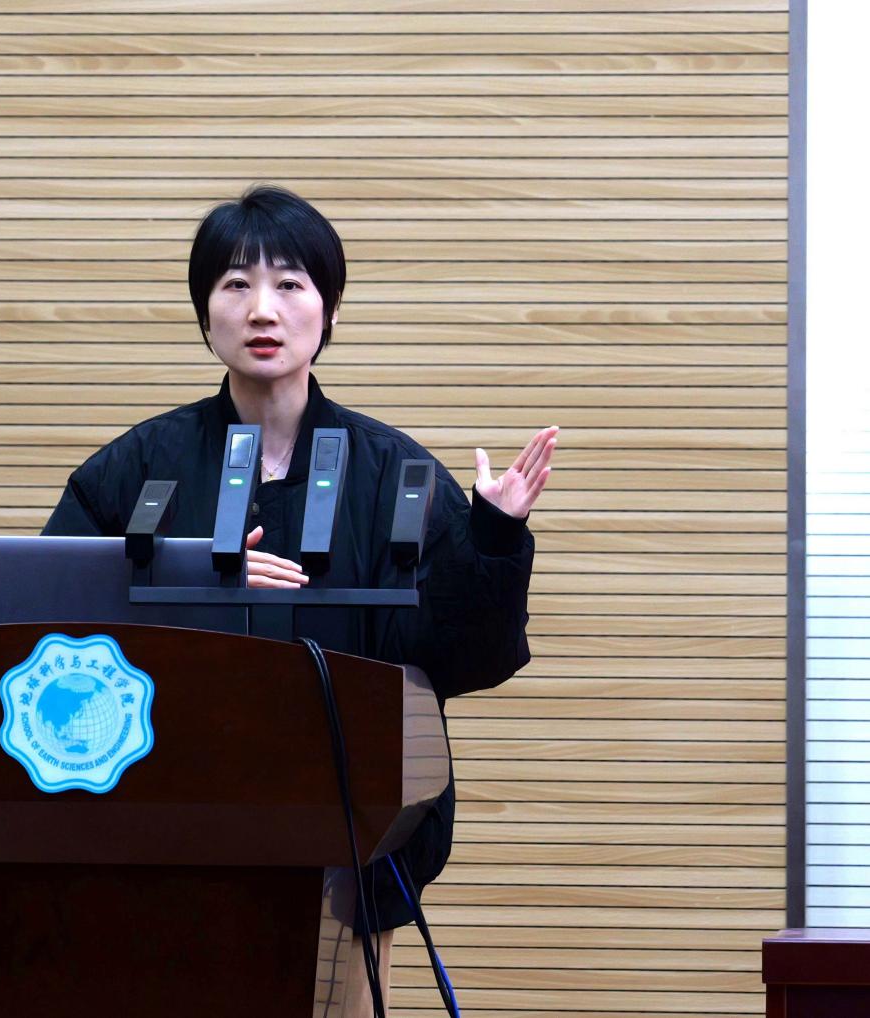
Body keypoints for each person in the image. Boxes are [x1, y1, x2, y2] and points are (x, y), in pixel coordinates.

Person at [43, 184, 557, 1009]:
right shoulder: (139, 467)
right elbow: (43, 624)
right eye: (235, 284)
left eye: (289, 283)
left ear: (330, 311)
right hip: (166, 838)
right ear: (204, 313)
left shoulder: (394, 473)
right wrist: (189, 581)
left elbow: (464, 657)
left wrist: (493, 536)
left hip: (347, 851)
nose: (262, 309)